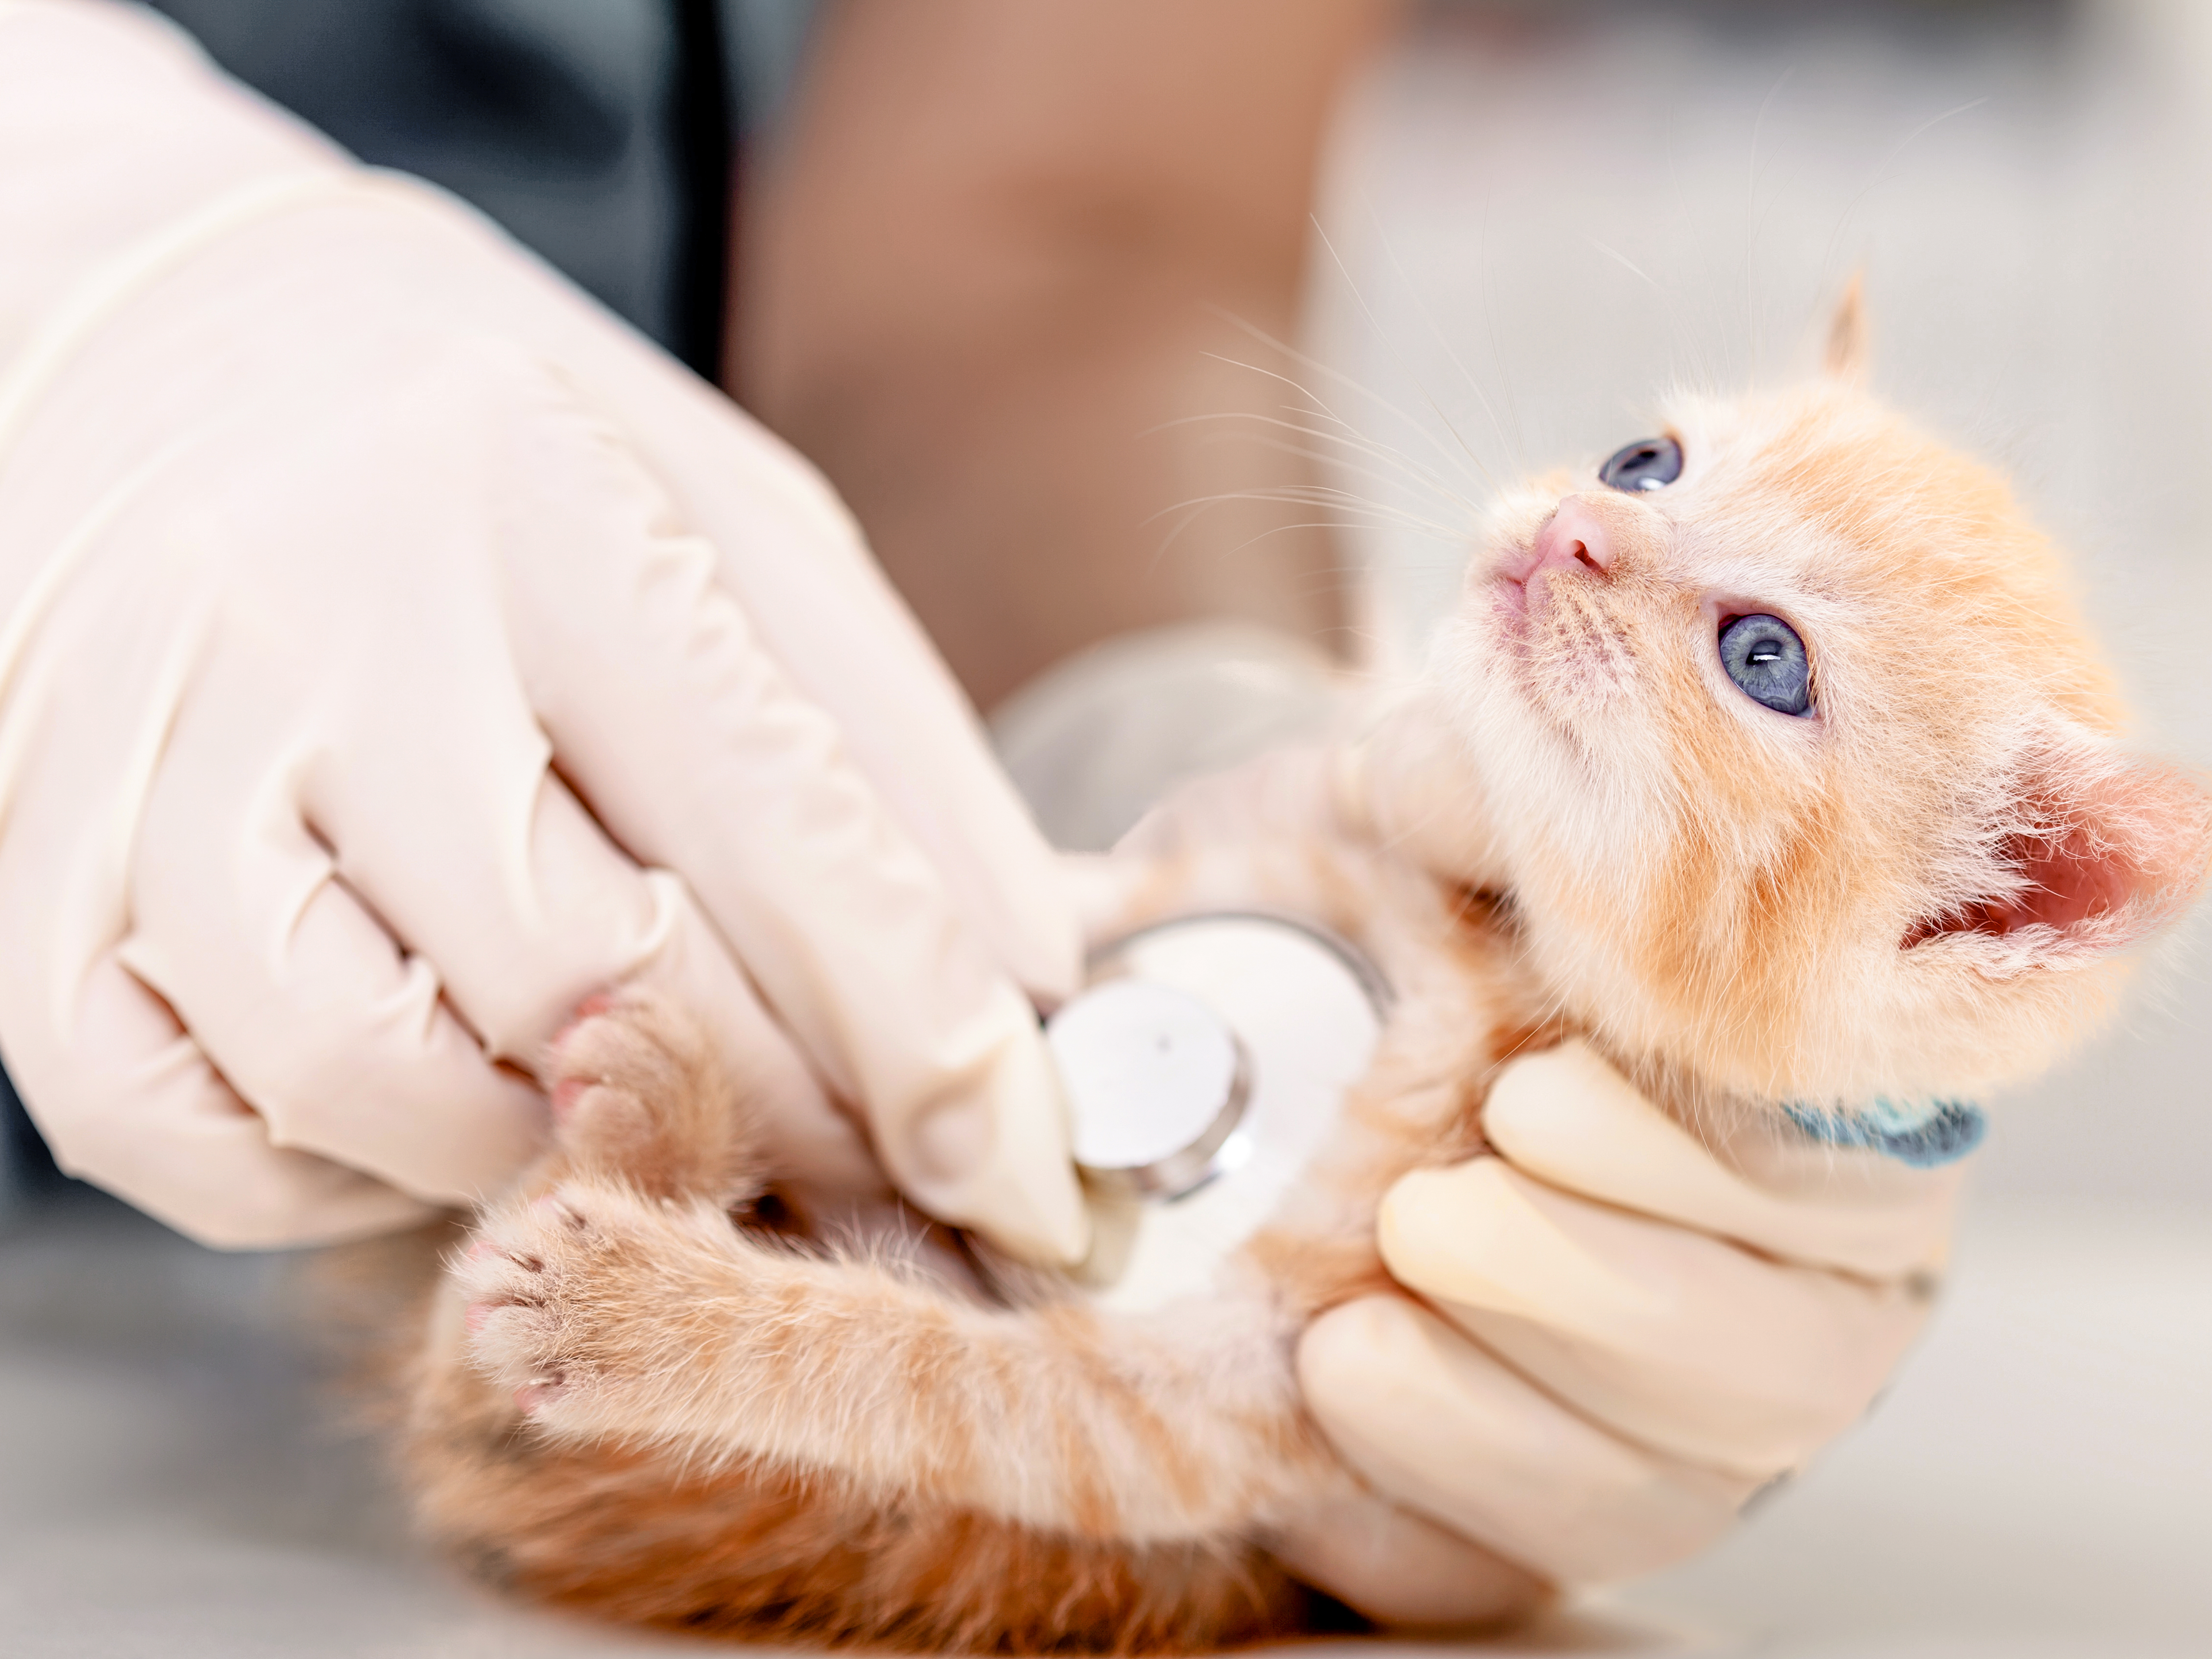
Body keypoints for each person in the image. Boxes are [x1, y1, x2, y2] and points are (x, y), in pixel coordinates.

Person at [0, 0, 1969, 1627]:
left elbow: (1062, 239)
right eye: (1640, 462)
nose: (1582, 528)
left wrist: (1170, 773)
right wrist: (80, 284)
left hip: (540, 1034)